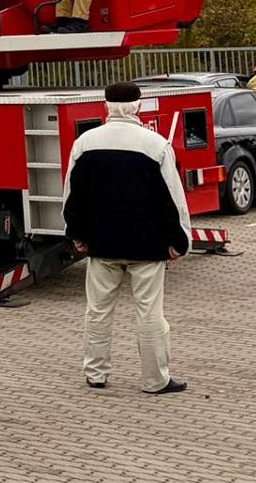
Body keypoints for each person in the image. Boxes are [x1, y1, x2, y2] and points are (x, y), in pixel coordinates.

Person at [63, 81, 191, 395]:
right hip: (148, 246)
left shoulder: (85, 143)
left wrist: (77, 234)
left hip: (101, 243)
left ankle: (96, 374)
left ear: (105, 106)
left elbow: (72, 196)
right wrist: (179, 241)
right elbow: (172, 201)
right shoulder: (156, 145)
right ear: (138, 106)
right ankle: (155, 380)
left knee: (98, 310)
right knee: (150, 314)